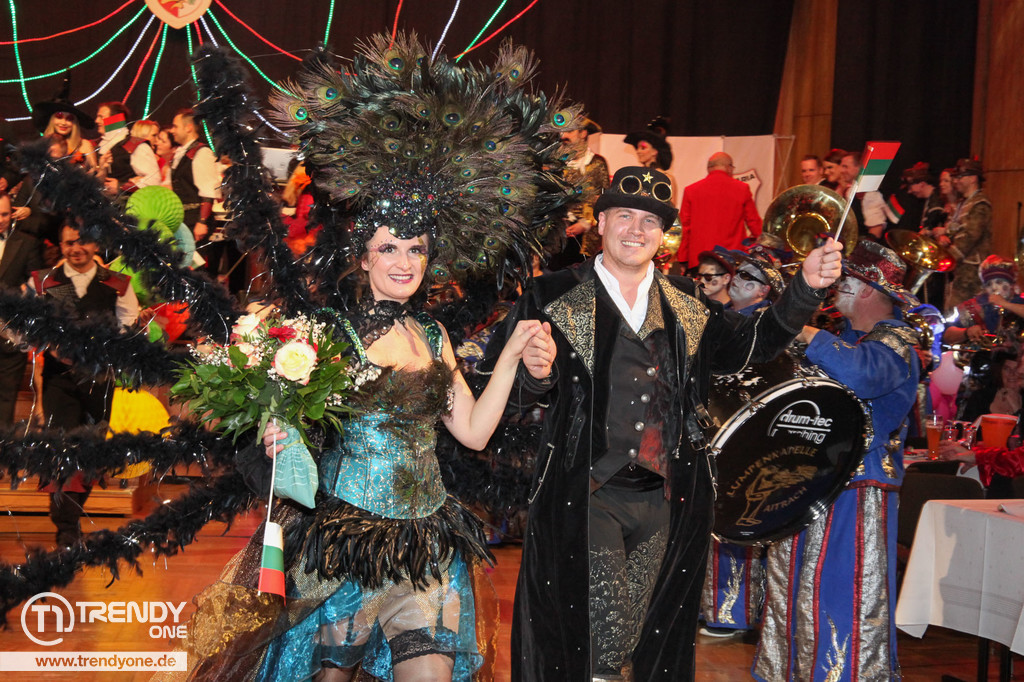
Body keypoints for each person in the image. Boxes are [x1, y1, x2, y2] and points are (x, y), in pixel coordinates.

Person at [176, 34, 582, 682]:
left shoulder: (434, 335)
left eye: (416, 250)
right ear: (363, 257)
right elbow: (277, 427)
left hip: (426, 545)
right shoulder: (327, 334)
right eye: (390, 248)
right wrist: (276, 435)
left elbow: (473, 432)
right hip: (342, 548)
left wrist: (509, 358)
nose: (404, 262)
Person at [483, 165, 842, 681]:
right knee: (599, 639)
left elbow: (751, 347)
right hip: (584, 494)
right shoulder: (552, 295)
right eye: (624, 216)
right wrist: (534, 377)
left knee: (644, 639)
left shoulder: (686, 300)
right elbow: (500, 394)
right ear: (600, 222)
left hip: (669, 499)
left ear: (663, 233)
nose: (636, 229)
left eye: (649, 221)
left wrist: (805, 288)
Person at [753, 240, 921, 682]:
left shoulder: (896, 341)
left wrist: (809, 335)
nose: (835, 286)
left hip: (859, 485)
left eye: (844, 279)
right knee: (793, 588)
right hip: (810, 481)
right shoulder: (846, 339)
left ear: (867, 289)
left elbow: (864, 373)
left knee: (844, 590)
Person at [31, 223, 139, 545]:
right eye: (69, 243)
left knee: (90, 452)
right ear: (61, 245)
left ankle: (72, 517)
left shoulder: (116, 283)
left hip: (98, 379)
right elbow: (25, 323)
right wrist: (47, 344)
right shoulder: (45, 282)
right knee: (61, 449)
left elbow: (128, 323)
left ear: (95, 244)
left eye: (83, 242)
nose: (76, 248)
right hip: (59, 381)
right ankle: (65, 526)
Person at [676, 152, 763, 270]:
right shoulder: (742, 189)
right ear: (729, 167)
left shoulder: (691, 191)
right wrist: (765, 248)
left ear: (709, 168)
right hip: (733, 259)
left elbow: (684, 228)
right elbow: (754, 223)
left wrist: (683, 258)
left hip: (699, 259)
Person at [0, 193, 43, 425]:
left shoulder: (27, 243)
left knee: (7, 397)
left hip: (10, 332)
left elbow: (36, 287)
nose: (0, 220)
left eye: (5, 214)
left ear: (13, 214)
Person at [548, 118, 610, 269]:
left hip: (586, 239)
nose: (564, 136)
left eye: (569, 131)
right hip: (559, 235)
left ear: (583, 133)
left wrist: (586, 224)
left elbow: (605, 202)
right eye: (562, 132)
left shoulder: (597, 163)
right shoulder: (556, 164)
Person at [939, 158, 992, 310]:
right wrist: (945, 237)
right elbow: (956, 230)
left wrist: (945, 259)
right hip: (959, 270)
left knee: (959, 313)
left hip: (971, 271)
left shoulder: (980, 203)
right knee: (951, 312)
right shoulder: (963, 203)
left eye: (961, 177)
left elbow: (969, 236)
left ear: (973, 178)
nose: (957, 181)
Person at [169, 108, 220, 241]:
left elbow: (208, 191)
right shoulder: (182, 153)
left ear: (188, 128)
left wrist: (202, 222)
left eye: (175, 126)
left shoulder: (201, 152)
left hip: (195, 221)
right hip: (183, 219)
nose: (172, 130)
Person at [840, 150, 894, 241]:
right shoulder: (850, 190)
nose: (841, 170)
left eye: (845, 167)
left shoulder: (870, 194)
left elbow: (876, 230)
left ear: (859, 168)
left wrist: (861, 248)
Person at [726, 248, 782, 315]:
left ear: (764, 290)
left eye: (745, 275)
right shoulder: (720, 312)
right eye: (736, 272)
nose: (735, 277)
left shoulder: (763, 319)